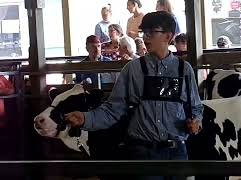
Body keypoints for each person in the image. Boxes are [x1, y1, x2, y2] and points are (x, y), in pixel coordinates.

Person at [65, 11, 203, 180]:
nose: (146, 37)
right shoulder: (132, 69)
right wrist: (85, 119)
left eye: (152, 32)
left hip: (177, 153)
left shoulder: (184, 70)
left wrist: (196, 123)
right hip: (143, 153)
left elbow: (196, 107)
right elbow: (112, 109)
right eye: (144, 32)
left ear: (168, 36)